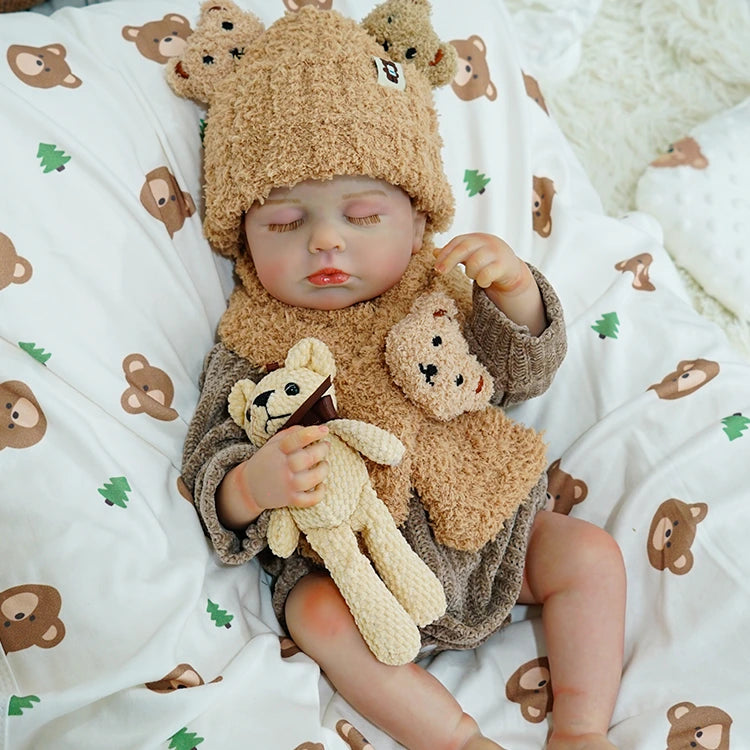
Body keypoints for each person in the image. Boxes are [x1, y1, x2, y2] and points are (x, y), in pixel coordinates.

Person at [179, 7, 625, 750]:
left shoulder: (439, 285)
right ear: (244, 241)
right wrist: (254, 484)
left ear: (418, 221)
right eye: (285, 223)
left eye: (362, 214)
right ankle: (456, 738)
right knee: (311, 614)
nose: (326, 239)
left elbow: (521, 374)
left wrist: (512, 295)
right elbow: (210, 465)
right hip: (357, 578)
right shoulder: (253, 341)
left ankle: (582, 728)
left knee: (589, 555)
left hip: (487, 536)